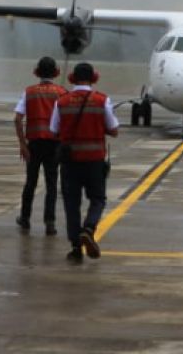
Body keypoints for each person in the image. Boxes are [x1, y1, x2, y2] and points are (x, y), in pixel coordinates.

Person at [53, 62, 119, 263]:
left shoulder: (62, 102)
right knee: (98, 199)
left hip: (70, 162)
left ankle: (75, 248)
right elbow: (114, 130)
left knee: (71, 204)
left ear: (72, 78)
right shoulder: (102, 100)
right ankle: (89, 228)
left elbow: (54, 130)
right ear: (93, 78)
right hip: (94, 161)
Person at [13, 56, 67, 235]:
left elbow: (17, 118)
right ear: (56, 72)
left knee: (31, 182)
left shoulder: (28, 92)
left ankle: (25, 218)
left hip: (34, 144)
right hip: (54, 145)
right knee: (51, 184)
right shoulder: (62, 92)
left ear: (37, 73)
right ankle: (50, 222)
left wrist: (22, 144)